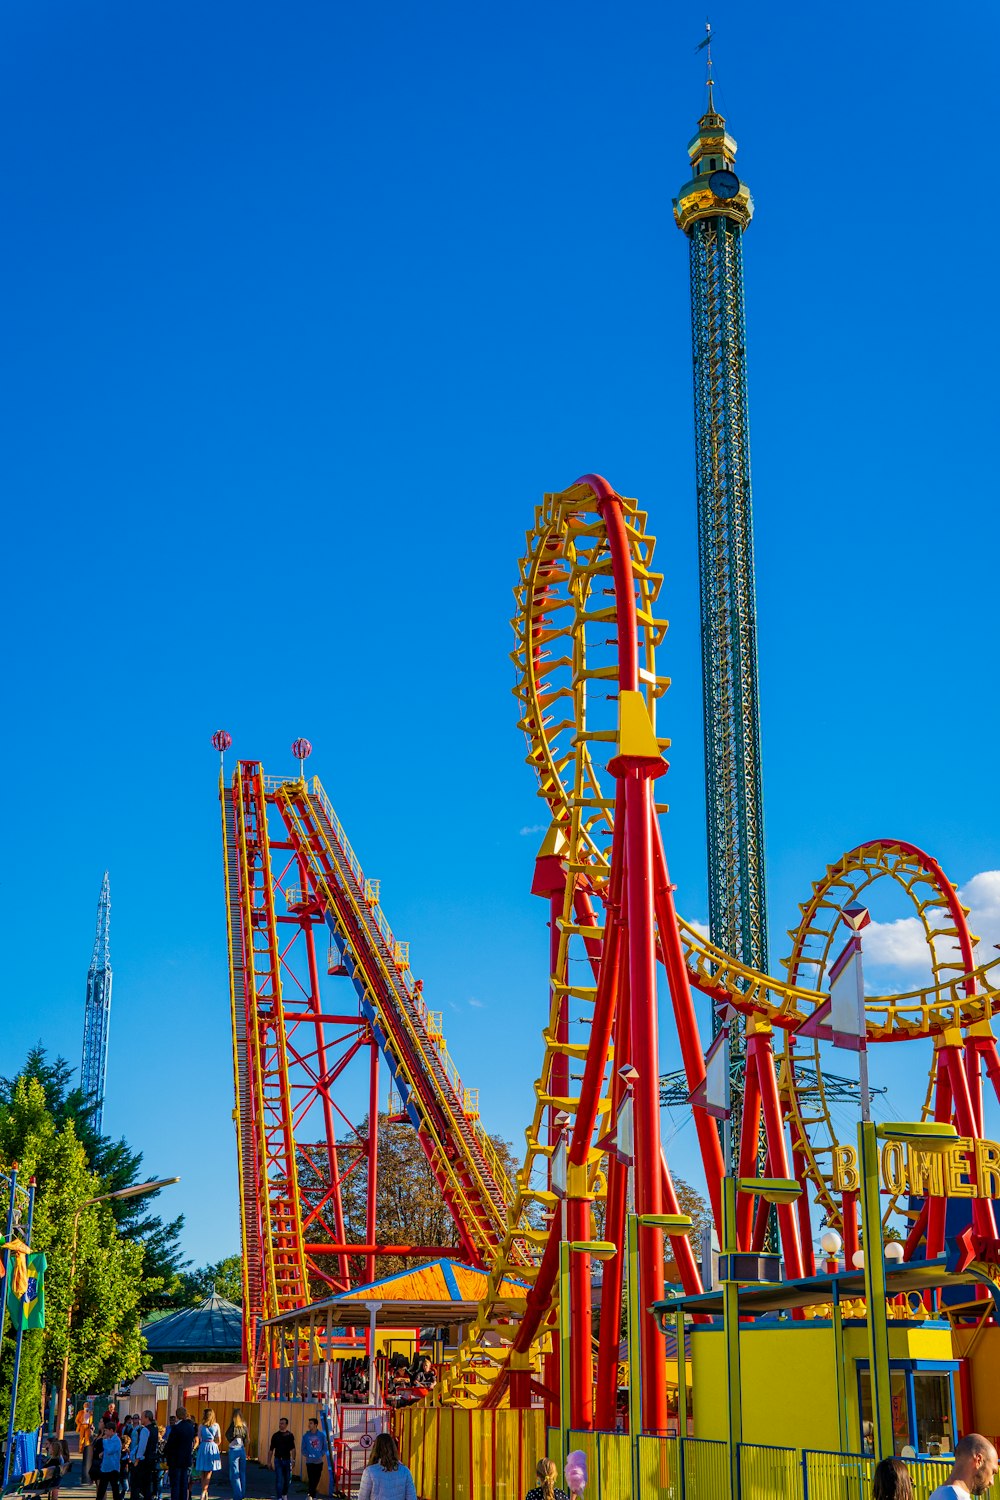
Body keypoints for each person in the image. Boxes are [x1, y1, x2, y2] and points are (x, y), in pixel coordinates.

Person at [930, 1434, 1000, 1499]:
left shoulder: (936, 1495)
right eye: (993, 1472)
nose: (992, 1482)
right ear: (978, 1461)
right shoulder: (958, 1497)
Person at [357, 1433, 416, 1500]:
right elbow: (412, 1497)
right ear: (393, 1448)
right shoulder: (405, 1471)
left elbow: (362, 1498)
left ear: (375, 1448)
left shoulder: (369, 1472)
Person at [164, 1408, 197, 1500]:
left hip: (175, 1459)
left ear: (177, 1415)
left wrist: (166, 1453)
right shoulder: (190, 1427)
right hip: (186, 1459)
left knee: (175, 1484)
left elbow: (170, 1444)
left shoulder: (176, 1428)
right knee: (184, 1483)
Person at [193, 1409, 222, 1500]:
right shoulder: (216, 1425)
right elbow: (219, 1440)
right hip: (212, 1446)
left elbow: (199, 1437)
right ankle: (205, 1491)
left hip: (203, 1446)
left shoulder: (201, 1426)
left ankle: (203, 1491)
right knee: (209, 1470)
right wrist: (214, 1445)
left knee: (203, 1470)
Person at [131, 1411, 159, 1500]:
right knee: (147, 1484)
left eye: (142, 1417)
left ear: (147, 1418)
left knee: (137, 1484)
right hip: (151, 1459)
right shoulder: (155, 1429)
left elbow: (142, 1446)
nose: (141, 1419)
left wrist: (137, 1460)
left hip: (144, 1460)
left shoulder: (145, 1430)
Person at [97, 1415, 123, 1500]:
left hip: (113, 1468)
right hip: (105, 1468)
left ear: (111, 1431)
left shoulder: (116, 1440)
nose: (105, 1432)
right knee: (101, 1490)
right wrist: (103, 1453)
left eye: (106, 1431)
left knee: (115, 1489)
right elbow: (107, 1451)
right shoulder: (110, 1440)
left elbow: (110, 1450)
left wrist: (105, 1440)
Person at [268, 1419, 296, 1500]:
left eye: (282, 1423)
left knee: (287, 1480)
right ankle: (279, 1497)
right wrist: (269, 1461)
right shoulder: (275, 1435)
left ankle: (284, 1493)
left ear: (286, 1425)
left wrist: (293, 1460)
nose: (280, 1425)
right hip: (278, 1460)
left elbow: (293, 1449)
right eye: (280, 1423)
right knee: (279, 1479)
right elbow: (271, 1449)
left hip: (287, 1460)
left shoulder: (289, 1435)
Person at [225, 1412, 249, 1500]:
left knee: (235, 1474)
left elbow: (227, 1435)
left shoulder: (233, 1425)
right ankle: (242, 1494)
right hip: (242, 1449)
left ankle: (237, 1495)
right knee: (242, 1473)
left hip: (233, 1449)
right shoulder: (244, 1426)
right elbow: (246, 1438)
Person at [301, 1419, 325, 1500]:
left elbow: (325, 1447)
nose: (309, 1425)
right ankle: (312, 1495)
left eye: (311, 1423)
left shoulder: (321, 1435)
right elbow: (303, 1449)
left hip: (319, 1461)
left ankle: (311, 1493)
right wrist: (308, 1455)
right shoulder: (306, 1436)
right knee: (311, 1479)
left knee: (316, 1478)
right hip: (310, 1461)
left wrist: (320, 1454)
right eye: (309, 1423)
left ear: (315, 1425)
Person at [76, 1405, 94, 1479]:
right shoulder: (80, 1412)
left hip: (88, 1426)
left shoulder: (90, 1413)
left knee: (87, 1438)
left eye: (87, 1406)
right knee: (81, 1438)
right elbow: (76, 1420)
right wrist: (79, 1424)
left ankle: (86, 1449)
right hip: (82, 1425)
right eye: (85, 1406)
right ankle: (80, 1449)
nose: (86, 1408)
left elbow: (91, 1420)